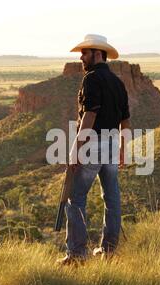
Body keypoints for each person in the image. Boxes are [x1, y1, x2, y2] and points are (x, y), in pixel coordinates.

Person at [57, 34, 131, 265]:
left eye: (85, 52)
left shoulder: (91, 79)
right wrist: (122, 150)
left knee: (75, 198)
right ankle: (108, 251)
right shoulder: (118, 83)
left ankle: (77, 255)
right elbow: (125, 120)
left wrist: (75, 149)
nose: (81, 57)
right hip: (111, 144)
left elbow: (90, 115)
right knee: (112, 198)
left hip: (93, 143)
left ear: (98, 54)